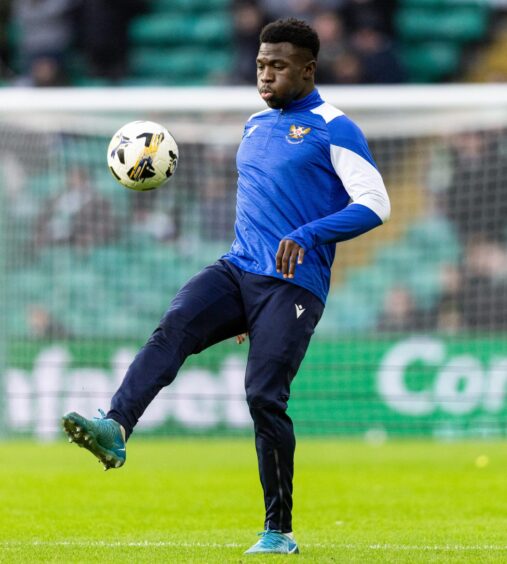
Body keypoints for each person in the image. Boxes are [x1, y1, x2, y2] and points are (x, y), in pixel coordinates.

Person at [62, 17, 390, 555]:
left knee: (264, 396)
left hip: (292, 286)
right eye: (261, 64)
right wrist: (244, 311)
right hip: (238, 271)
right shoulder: (255, 124)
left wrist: (309, 234)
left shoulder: (335, 127)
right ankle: (115, 427)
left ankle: (278, 531)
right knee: (173, 327)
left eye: (278, 66)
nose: (265, 75)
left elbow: (376, 204)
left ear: (307, 69)